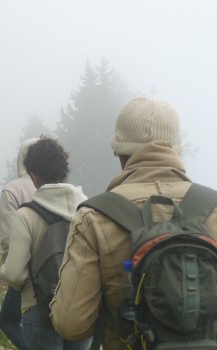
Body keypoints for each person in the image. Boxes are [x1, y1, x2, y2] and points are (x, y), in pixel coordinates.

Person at [50, 97, 217, 349]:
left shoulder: (94, 216)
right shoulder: (213, 208)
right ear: (176, 149)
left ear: (119, 151)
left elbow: (72, 324)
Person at [0, 136, 90, 350]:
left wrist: (5, 270)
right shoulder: (87, 207)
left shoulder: (27, 214)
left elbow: (14, 274)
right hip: (81, 307)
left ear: (34, 175)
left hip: (40, 309)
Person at [0, 138, 38, 350]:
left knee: (8, 321)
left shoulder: (13, 189)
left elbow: (8, 238)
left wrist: (11, 272)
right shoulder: (61, 187)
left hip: (25, 270)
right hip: (58, 269)